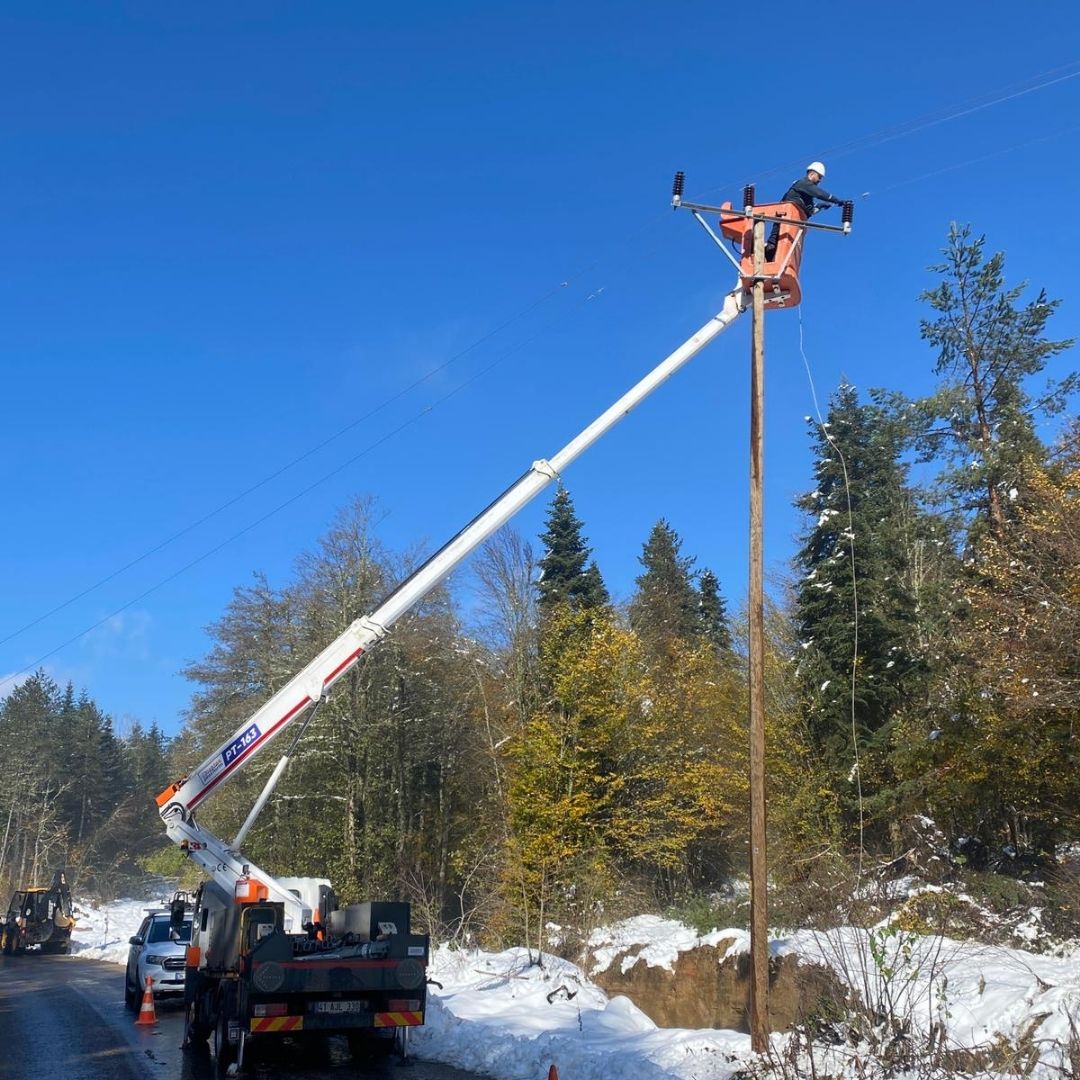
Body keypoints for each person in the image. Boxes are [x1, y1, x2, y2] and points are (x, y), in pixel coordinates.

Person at [764, 161, 847, 261]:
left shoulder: (807, 195)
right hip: (784, 218)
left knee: (782, 247)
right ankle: (767, 256)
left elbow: (809, 211)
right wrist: (835, 200)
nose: (819, 181)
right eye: (819, 177)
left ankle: (771, 258)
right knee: (774, 243)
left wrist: (820, 206)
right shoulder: (803, 183)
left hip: (791, 223)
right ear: (811, 174)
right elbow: (820, 194)